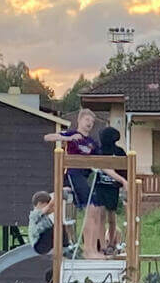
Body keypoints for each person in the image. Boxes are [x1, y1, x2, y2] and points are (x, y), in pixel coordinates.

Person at [43, 109, 104, 257]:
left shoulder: (92, 143)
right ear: (80, 120)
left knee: (96, 209)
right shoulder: (71, 134)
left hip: (85, 176)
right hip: (73, 174)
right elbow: (48, 137)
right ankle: (88, 250)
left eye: (91, 122)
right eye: (87, 120)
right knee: (91, 207)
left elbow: (101, 159)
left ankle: (93, 248)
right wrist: (69, 139)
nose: (89, 123)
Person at [91, 126, 129, 254]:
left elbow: (125, 169)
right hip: (100, 186)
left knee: (111, 216)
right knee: (101, 216)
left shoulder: (119, 152)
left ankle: (112, 243)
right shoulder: (99, 151)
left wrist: (124, 182)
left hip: (113, 187)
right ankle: (102, 244)